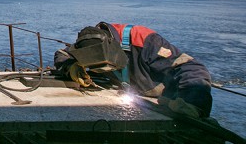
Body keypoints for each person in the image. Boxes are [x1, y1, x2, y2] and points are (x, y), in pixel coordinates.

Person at [54, 22, 213, 118]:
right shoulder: (89, 42)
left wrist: (193, 103)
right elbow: (62, 54)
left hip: (167, 100)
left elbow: (192, 68)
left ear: (111, 46)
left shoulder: (144, 40)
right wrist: (72, 67)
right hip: (136, 97)